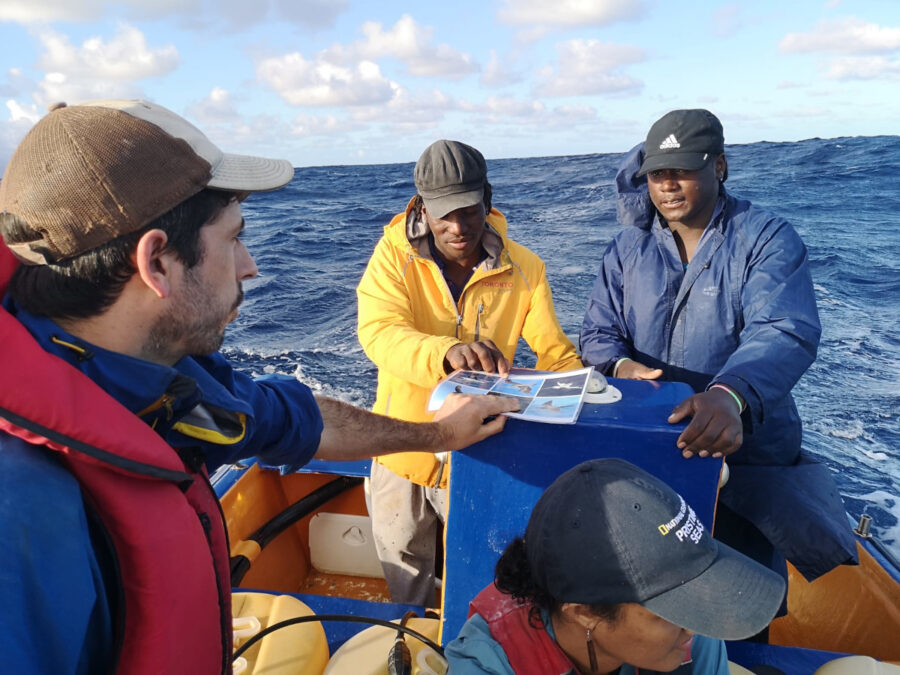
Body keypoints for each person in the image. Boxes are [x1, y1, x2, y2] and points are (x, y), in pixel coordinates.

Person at [0, 100, 518, 674]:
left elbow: (293, 419)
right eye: (233, 238)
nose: (249, 266)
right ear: (156, 263)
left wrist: (440, 433)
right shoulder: (21, 509)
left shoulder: (166, 380)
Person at [579, 109, 856, 587]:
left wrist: (728, 394)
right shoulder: (626, 248)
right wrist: (621, 366)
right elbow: (598, 334)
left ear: (719, 166)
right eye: (658, 174)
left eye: (682, 170)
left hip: (743, 457)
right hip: (653, 449)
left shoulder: (767, 237)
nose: (667, 185)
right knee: (653, 590)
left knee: (740, 597)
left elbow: (784, 329)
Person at [356, 139, 583, 606]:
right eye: (443, 213)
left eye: (469, 211)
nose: (457, 227)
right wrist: (448, 353)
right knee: (406, 580)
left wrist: (594, 390)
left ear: (488, 199)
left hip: (482, 455)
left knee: (484, 586)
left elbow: (556, 356)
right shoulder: (391, 259)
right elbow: (379, 333)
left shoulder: (527, 268)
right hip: (402, 450)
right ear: (420, 207)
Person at [445, 458, 786, 674]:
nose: (693, 626)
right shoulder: (486, 665)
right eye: (669, 609)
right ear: (586, 612)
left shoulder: (691, 637)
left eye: (694, 591)